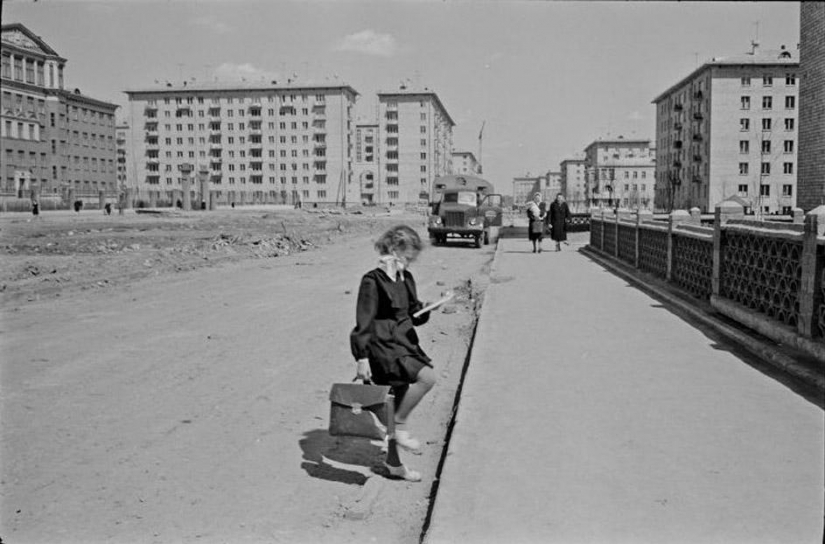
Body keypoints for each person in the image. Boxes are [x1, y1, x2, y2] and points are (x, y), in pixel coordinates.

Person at [350, 225, 445, 482]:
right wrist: (361, 357)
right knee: (427, 378)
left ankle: (393, 463)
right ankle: (401, 426)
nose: (409, 262)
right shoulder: (373, 280)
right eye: (407, 256)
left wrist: (429, 307)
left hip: (404, 344)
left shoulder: (406, 278)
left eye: (412, 259)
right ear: (393, 250)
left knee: (394, 403)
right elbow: (364, 321)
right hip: (383, 348)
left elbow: (413, 314)